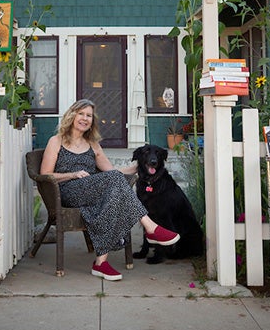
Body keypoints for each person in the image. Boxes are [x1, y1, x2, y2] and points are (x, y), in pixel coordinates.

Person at [40, 98, 180, 281]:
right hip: (66, 192)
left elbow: (113, 172)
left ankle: (101, 264)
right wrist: (73, 174)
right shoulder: (56, 141)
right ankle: (151, 227)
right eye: (81, 114)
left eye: (89, 115)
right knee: (115, 184)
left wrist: (138, 168)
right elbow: (45, 174)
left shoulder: (93, 144)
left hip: (91, 191)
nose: (85, 118)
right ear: (72, 116)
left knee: (115, 195)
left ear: (92, 120)